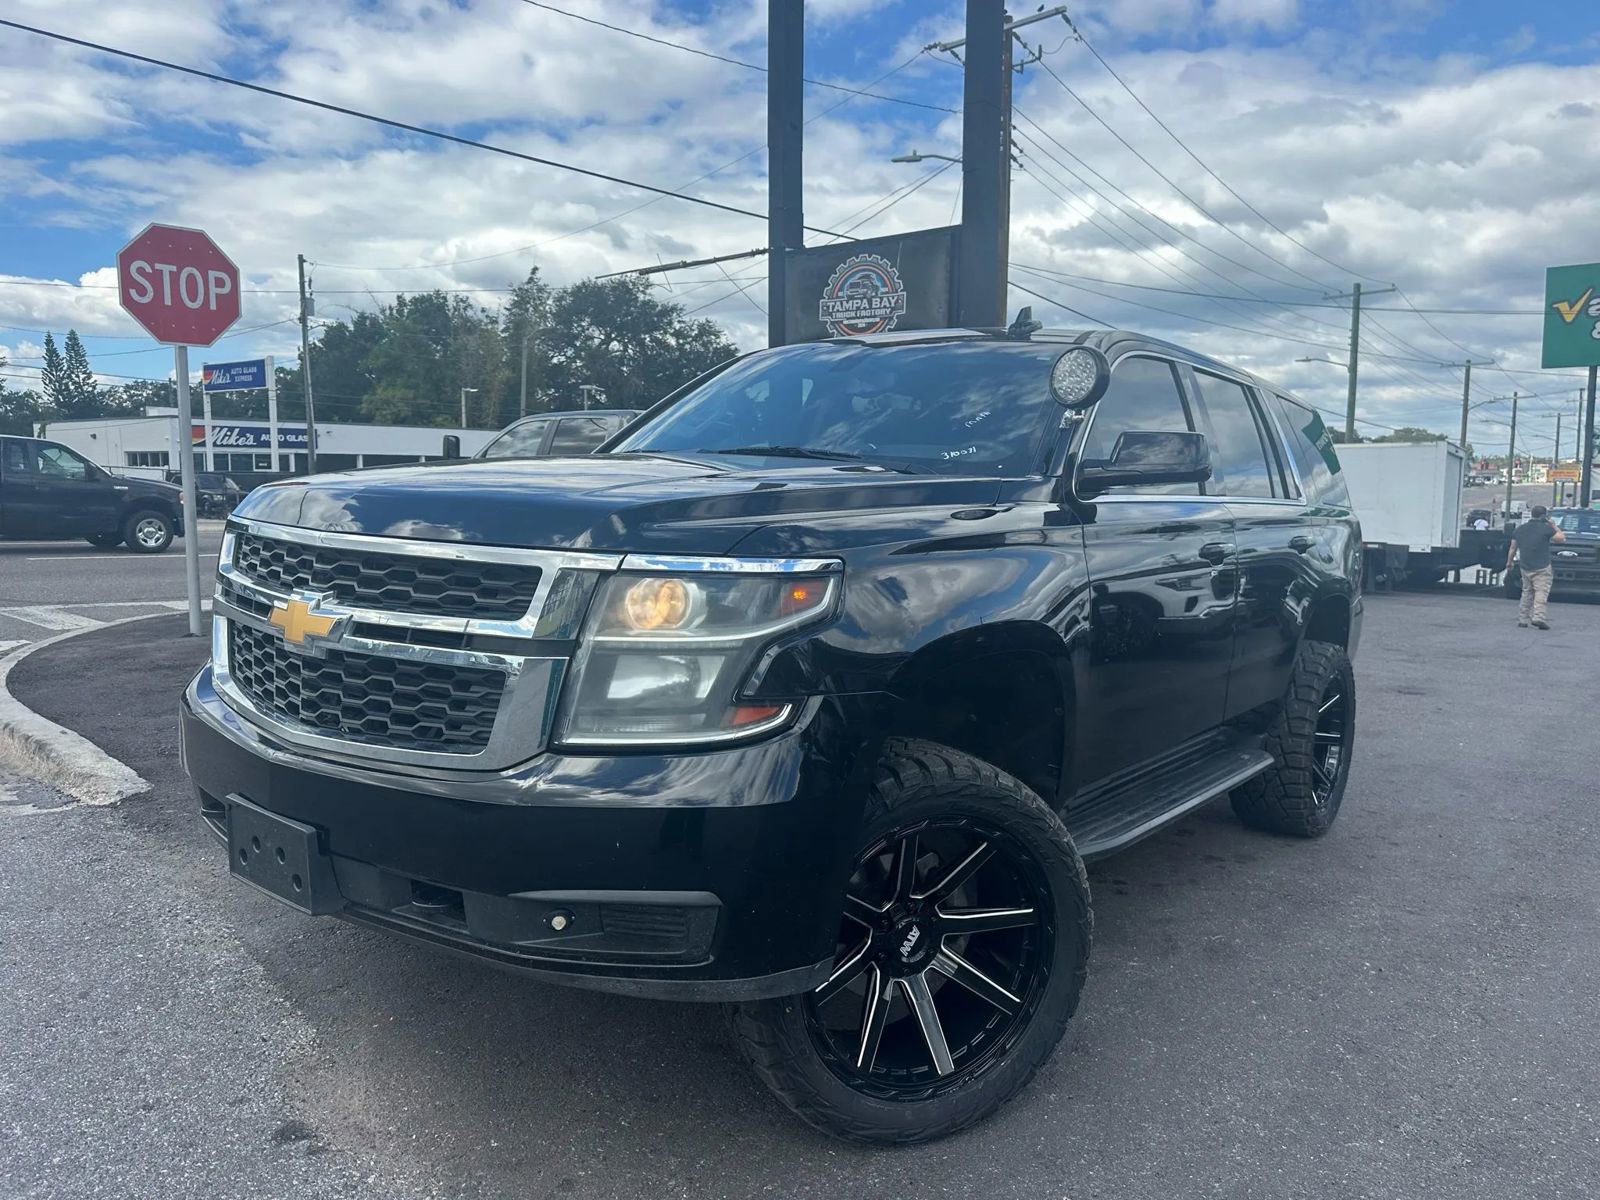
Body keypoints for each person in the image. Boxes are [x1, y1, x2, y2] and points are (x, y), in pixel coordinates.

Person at [1506, 504, 1565, 629]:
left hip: (1525, 565)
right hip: (1542, 566)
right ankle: (1538, 617)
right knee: (1541, 591)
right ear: (1544, 516)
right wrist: (1554, 526)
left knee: (1527, 592)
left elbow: (1512, 548)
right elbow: (1561, 539)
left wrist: (1509, 562)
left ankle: (1523, 619)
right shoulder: (1546, 529)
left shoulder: (1520, 529)